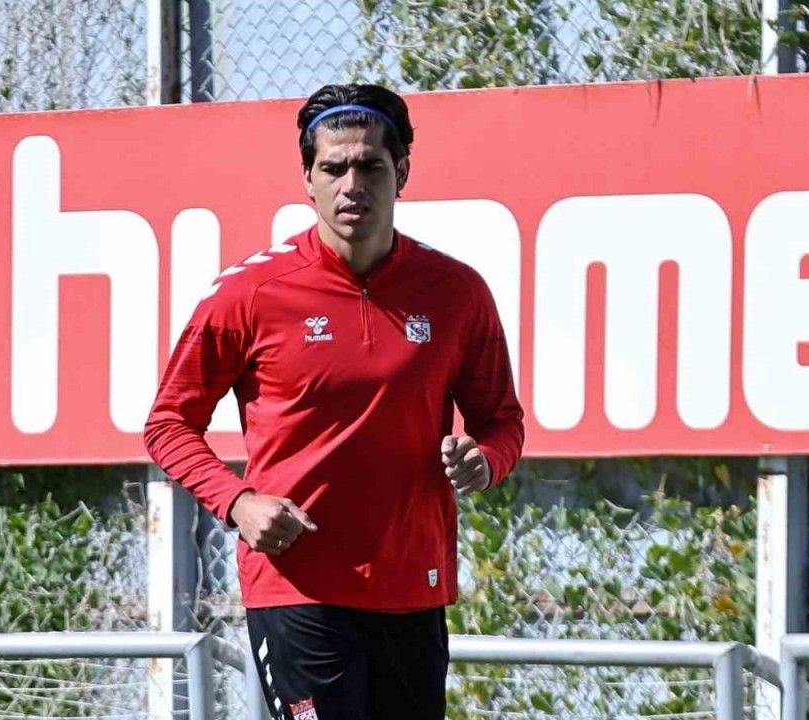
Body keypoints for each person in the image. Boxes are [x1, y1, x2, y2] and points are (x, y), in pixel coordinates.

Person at [143, 83, 525, 720]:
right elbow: (168, 424)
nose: (353, 185)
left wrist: (485, 460)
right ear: (308, 179)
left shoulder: (457, 292)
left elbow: (502, 421)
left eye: (371, 166)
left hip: (413, 587)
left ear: (402, 172)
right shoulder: (249, 292)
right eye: (334, 168)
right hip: (298, 587)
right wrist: (238, 502)